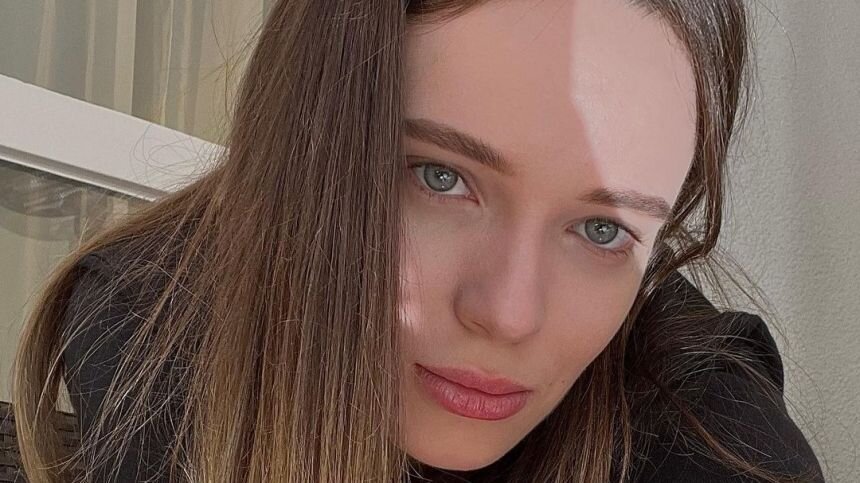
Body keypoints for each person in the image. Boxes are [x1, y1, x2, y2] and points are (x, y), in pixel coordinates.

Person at [12, 0, 824, 481]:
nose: (507, 313)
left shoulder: (704, 414)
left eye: (603, 228)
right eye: (440, 177)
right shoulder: (159, 314)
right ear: (307, 143)